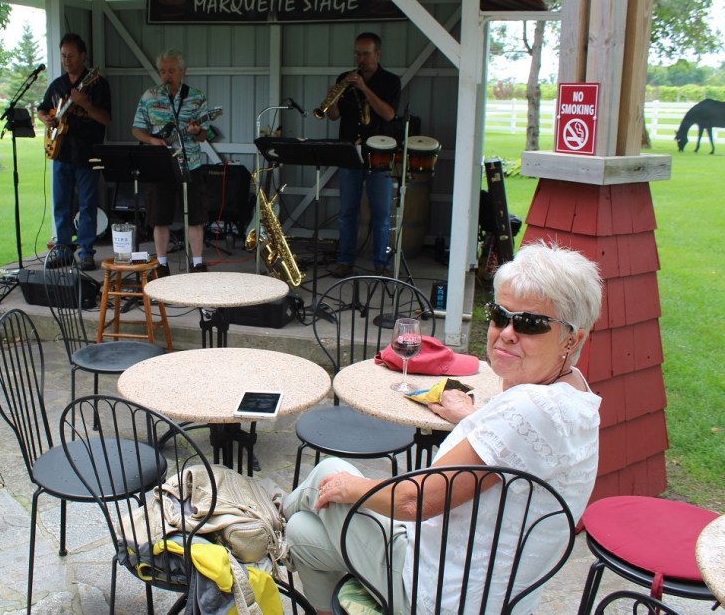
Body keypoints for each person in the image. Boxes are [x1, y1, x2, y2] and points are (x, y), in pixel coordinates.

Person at [283, 241, 603, 614]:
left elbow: (413, 501)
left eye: (530, 323)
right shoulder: (573, 395)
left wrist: (351, 488)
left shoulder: (529, 408)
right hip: (492, 591)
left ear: (573, 339)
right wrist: (472, 418)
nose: (507, 332)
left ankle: (265, 517)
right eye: (500, 315)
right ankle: (281, 523)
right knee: (302, 531)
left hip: (442, 593)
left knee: (330, 473)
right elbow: (518, 450)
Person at [326, 32, 401, 278]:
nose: (360, 58)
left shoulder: (390, 81)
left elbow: (388, 114)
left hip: (379, 154)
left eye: (365, 54)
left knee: (381, 213)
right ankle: (345, 260)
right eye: (357, 54)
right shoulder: (344, 79)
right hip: (349, 151)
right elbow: (333, 116)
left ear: (377, 54)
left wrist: (364, 88)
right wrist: (332, 102)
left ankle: (381, 264)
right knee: (347, 211)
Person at [131, 48, 211, 275]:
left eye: (172, 71)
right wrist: (152, 140)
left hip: (190, 163)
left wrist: (196, 131)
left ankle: (197, 263)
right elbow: (136, 129)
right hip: (160, 164)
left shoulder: (196, 97)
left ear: (183, 72)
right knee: (159, 217)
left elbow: (204, 135)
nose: (167, 75)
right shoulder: (149, 97)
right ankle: (162, 264)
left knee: (195, 216)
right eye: (163, 71)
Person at [36, 33, 111, 271]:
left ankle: (86, 252)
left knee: (87, 205)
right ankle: (64, 250)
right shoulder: (57, 85)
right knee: (62, 204)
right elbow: (42, 109)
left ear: (82, 55)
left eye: (71, 56)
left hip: (88, 153)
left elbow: (105, 118)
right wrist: (46, 119)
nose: (67, 60)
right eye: (63, 56)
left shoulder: (97, 84)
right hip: (62, 153)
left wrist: (85, 103)